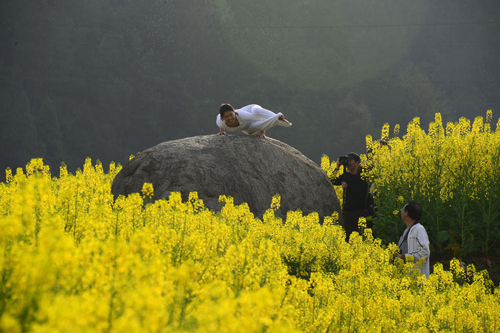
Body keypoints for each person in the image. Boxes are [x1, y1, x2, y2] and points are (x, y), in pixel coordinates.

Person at [331, 152, 372, 241]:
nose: (348, 163)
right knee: (348, 239)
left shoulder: (363, 175)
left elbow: (360, 189)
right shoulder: (346, 176)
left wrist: (348, 186)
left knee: (361, 237)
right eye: (347, 161)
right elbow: (331, 180)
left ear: (357, 162)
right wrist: (337, 167)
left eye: (350, 160)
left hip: (361, 212)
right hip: (348, 212)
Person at [396, 201, 430, 278]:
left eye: (402, 209)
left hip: (419, 280)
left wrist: (405, 257)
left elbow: (425, 252)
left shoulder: (419, 229)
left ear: (406, 213)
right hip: (409, 279)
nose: (401, 211)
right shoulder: (407, 231)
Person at [216, 104, 292, 138]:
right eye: (226, 116)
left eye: (231, 115)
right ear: (222, 118)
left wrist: (262, 132)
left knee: (257, 111)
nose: (230, 118)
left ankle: (278, 118)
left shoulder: (241, 115)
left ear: (234, 112)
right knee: (252, 128)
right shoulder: (220, 122)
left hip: (252, 110)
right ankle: (277, 118)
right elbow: (221, 126)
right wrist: (222, 131)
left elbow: (261, 119)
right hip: (248, 129)